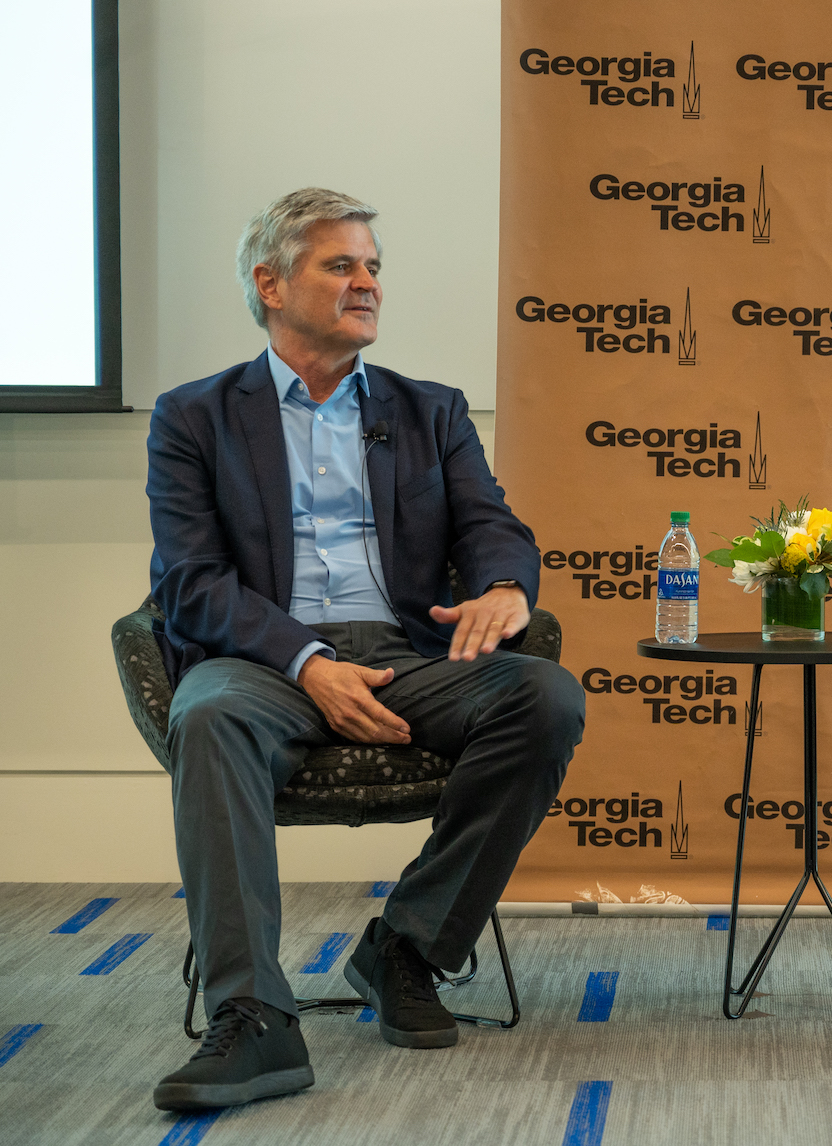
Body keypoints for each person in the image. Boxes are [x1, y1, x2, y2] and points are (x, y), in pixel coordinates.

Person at [145, 188, 585, 1110]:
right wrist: (307, 661)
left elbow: (491, 524)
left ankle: (408, 949)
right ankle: (253, 1017)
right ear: (270, 284)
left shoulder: (430, 410)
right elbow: (190, 581)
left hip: (402, 652)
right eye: (340, 265)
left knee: (544, 697)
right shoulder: (195, 417)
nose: (367, 283)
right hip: (263, 661)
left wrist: (505, 586)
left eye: (373, 266)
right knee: (210, 710)